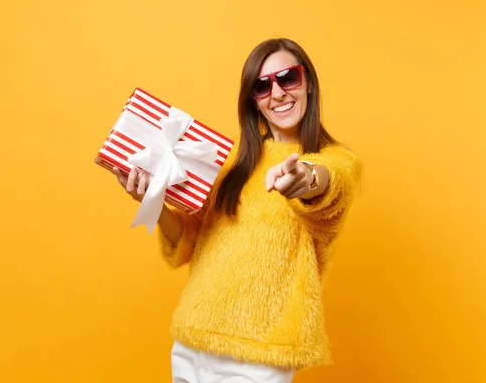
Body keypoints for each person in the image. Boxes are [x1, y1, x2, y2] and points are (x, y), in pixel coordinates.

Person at [113, 38, 362, 383]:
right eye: (262, 86)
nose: (277, 94)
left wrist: (302, 177)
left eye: (287, 78)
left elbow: (326, 182)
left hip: (259, 354)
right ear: (253, 102)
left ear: (308, 83)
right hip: (192, 339)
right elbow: (190, 240)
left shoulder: (337, 161)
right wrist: (151, 202)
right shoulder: (231, 161)